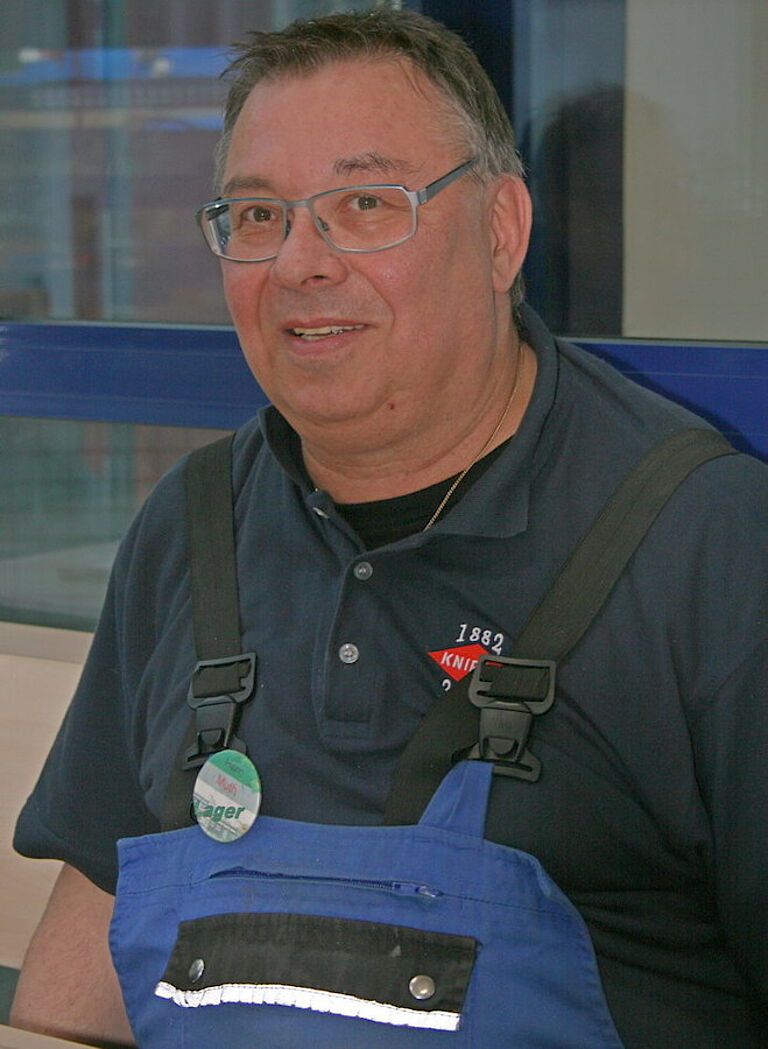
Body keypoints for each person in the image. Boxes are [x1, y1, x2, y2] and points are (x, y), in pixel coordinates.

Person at [10, 7, 768, 1049]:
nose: (299, 264)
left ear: (501, 230)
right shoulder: (189, 528)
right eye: (259, 214)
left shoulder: (712, 546)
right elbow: (94, 921)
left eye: (365, 203)